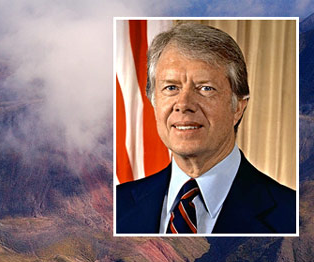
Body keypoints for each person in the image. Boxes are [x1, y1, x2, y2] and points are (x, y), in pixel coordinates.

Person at [115, 22, 296, 235]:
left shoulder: (293, 215)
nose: (183, 104)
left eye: (205, 88)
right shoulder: (116, 206)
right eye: (171, 87)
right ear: (153, 101)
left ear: (238, 107)